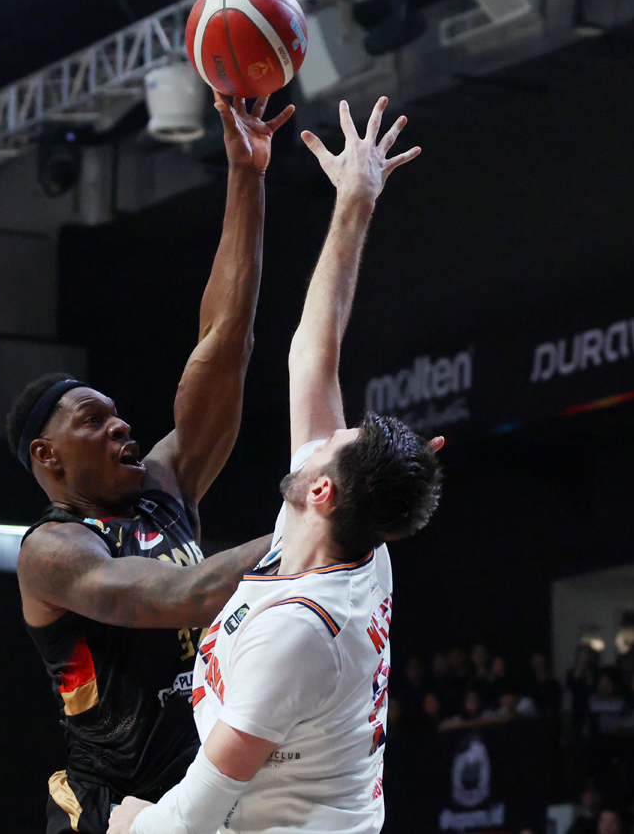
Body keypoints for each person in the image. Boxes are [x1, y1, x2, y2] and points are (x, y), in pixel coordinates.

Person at [107, 96, 435, 834]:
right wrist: (355, 200)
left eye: (335, 437)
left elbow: (188, 822)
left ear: (323, 489)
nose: (322, 426)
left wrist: (126, 822)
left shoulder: (301, 631)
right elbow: (312, 354)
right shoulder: (340, 531)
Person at [10, 92, 295, 834]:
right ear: (48, 456)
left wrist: (246, 173)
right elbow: (176, 596)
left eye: (116, 412)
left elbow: (226, 337)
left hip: (202, 791)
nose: (121, 424)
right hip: (109, 807)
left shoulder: (163, 487)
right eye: (92, 420)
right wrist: (311, 527)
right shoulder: (52, 551)